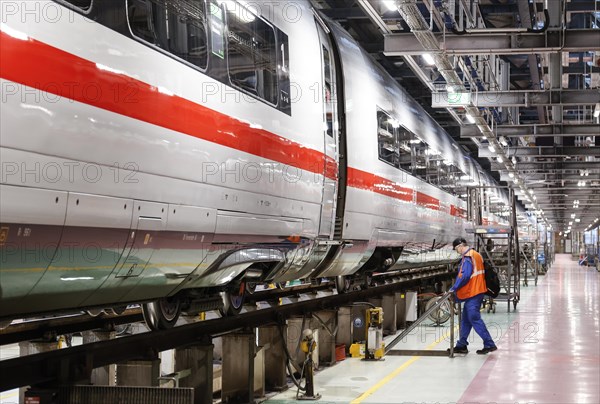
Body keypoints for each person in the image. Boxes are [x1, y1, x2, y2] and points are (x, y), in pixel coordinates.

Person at [448, 237, 497, 355]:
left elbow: (464, 276)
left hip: (474, 292)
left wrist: (453, 289)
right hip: (475, 291)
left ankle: (489, 344)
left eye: (456, 249)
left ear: (460, 246)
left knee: (474, 318)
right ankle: (461, 345)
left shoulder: (468, 256)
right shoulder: (476, 254)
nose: (457, 252)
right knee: (466, 319)